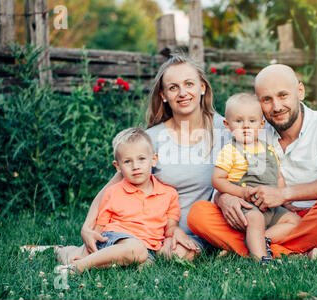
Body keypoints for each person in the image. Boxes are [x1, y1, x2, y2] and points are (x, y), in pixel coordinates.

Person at [188, 64, 317, 259]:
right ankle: (294, 252)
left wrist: (284, 194)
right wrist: (224, 199)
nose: (277, 107)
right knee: (199, 214)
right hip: (265, 219)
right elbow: (225, 178)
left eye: (283, 95)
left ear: (300, 91)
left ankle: (257, 249)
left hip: (314, 218)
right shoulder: (251, 130)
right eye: (267, 99)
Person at [79, 54, 231, 261]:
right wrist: (87, 227)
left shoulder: (225, 130)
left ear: (202, 87)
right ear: (163, 95)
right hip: (151, 230)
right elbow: (111, 188)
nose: (183, 93)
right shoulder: (152, 138)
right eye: (173, 87)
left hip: (202, 230)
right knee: (160, 252)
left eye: (189, 84)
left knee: (179, 254)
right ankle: (71, 251)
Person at [55, 128, 181, 274]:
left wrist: (170, 239)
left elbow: (171, 227)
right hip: (115, 239)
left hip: (149, 249)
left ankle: (91, 261)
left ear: (153, 160)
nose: (135, 166)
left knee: (146, 266)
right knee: (135, 250)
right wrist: (88, 248)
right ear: (118, 166)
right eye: (127, 161)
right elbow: (100, 225)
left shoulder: (169, 194)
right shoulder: (114, 192)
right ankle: (75, 263)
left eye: (141, 159)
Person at [212, 93, 301, 263]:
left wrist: (285, 201)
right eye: (238, 121)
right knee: (256, 219)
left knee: (295, 221)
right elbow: (217, 179)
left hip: (271, 206)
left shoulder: (268, 149)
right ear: (227, 125)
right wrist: (241, 191)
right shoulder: (230, 151)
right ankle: (261, 259)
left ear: (261, 125)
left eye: (251, 121)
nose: (246, 126)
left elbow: (278, 176)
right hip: (248, 207)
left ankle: (263, 240)